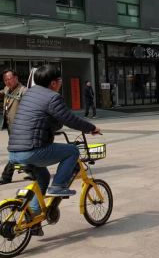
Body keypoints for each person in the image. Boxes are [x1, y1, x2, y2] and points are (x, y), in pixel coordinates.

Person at [8, 65, 101, 235]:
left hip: (14, 151)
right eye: (59, 81)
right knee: (72, 151)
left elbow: (40, 119)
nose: (60, 84)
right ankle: (58, 186)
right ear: (52, 83)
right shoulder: (53, 98)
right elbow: (70, 119)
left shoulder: (29, 94)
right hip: (32, 150)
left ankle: (34, 218)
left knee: (42, 177)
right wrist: (91, 128)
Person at [0, 70, 27, 185]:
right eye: (5, 80)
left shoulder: (24, 91)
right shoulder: (6, 90)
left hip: (21, 128)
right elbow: (2, 92)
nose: (7, 82)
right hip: (11, 127)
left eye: (9, 79)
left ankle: (6, 176)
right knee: (23, 151)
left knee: (14, 151)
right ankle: (33, 171)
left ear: (16, 78)